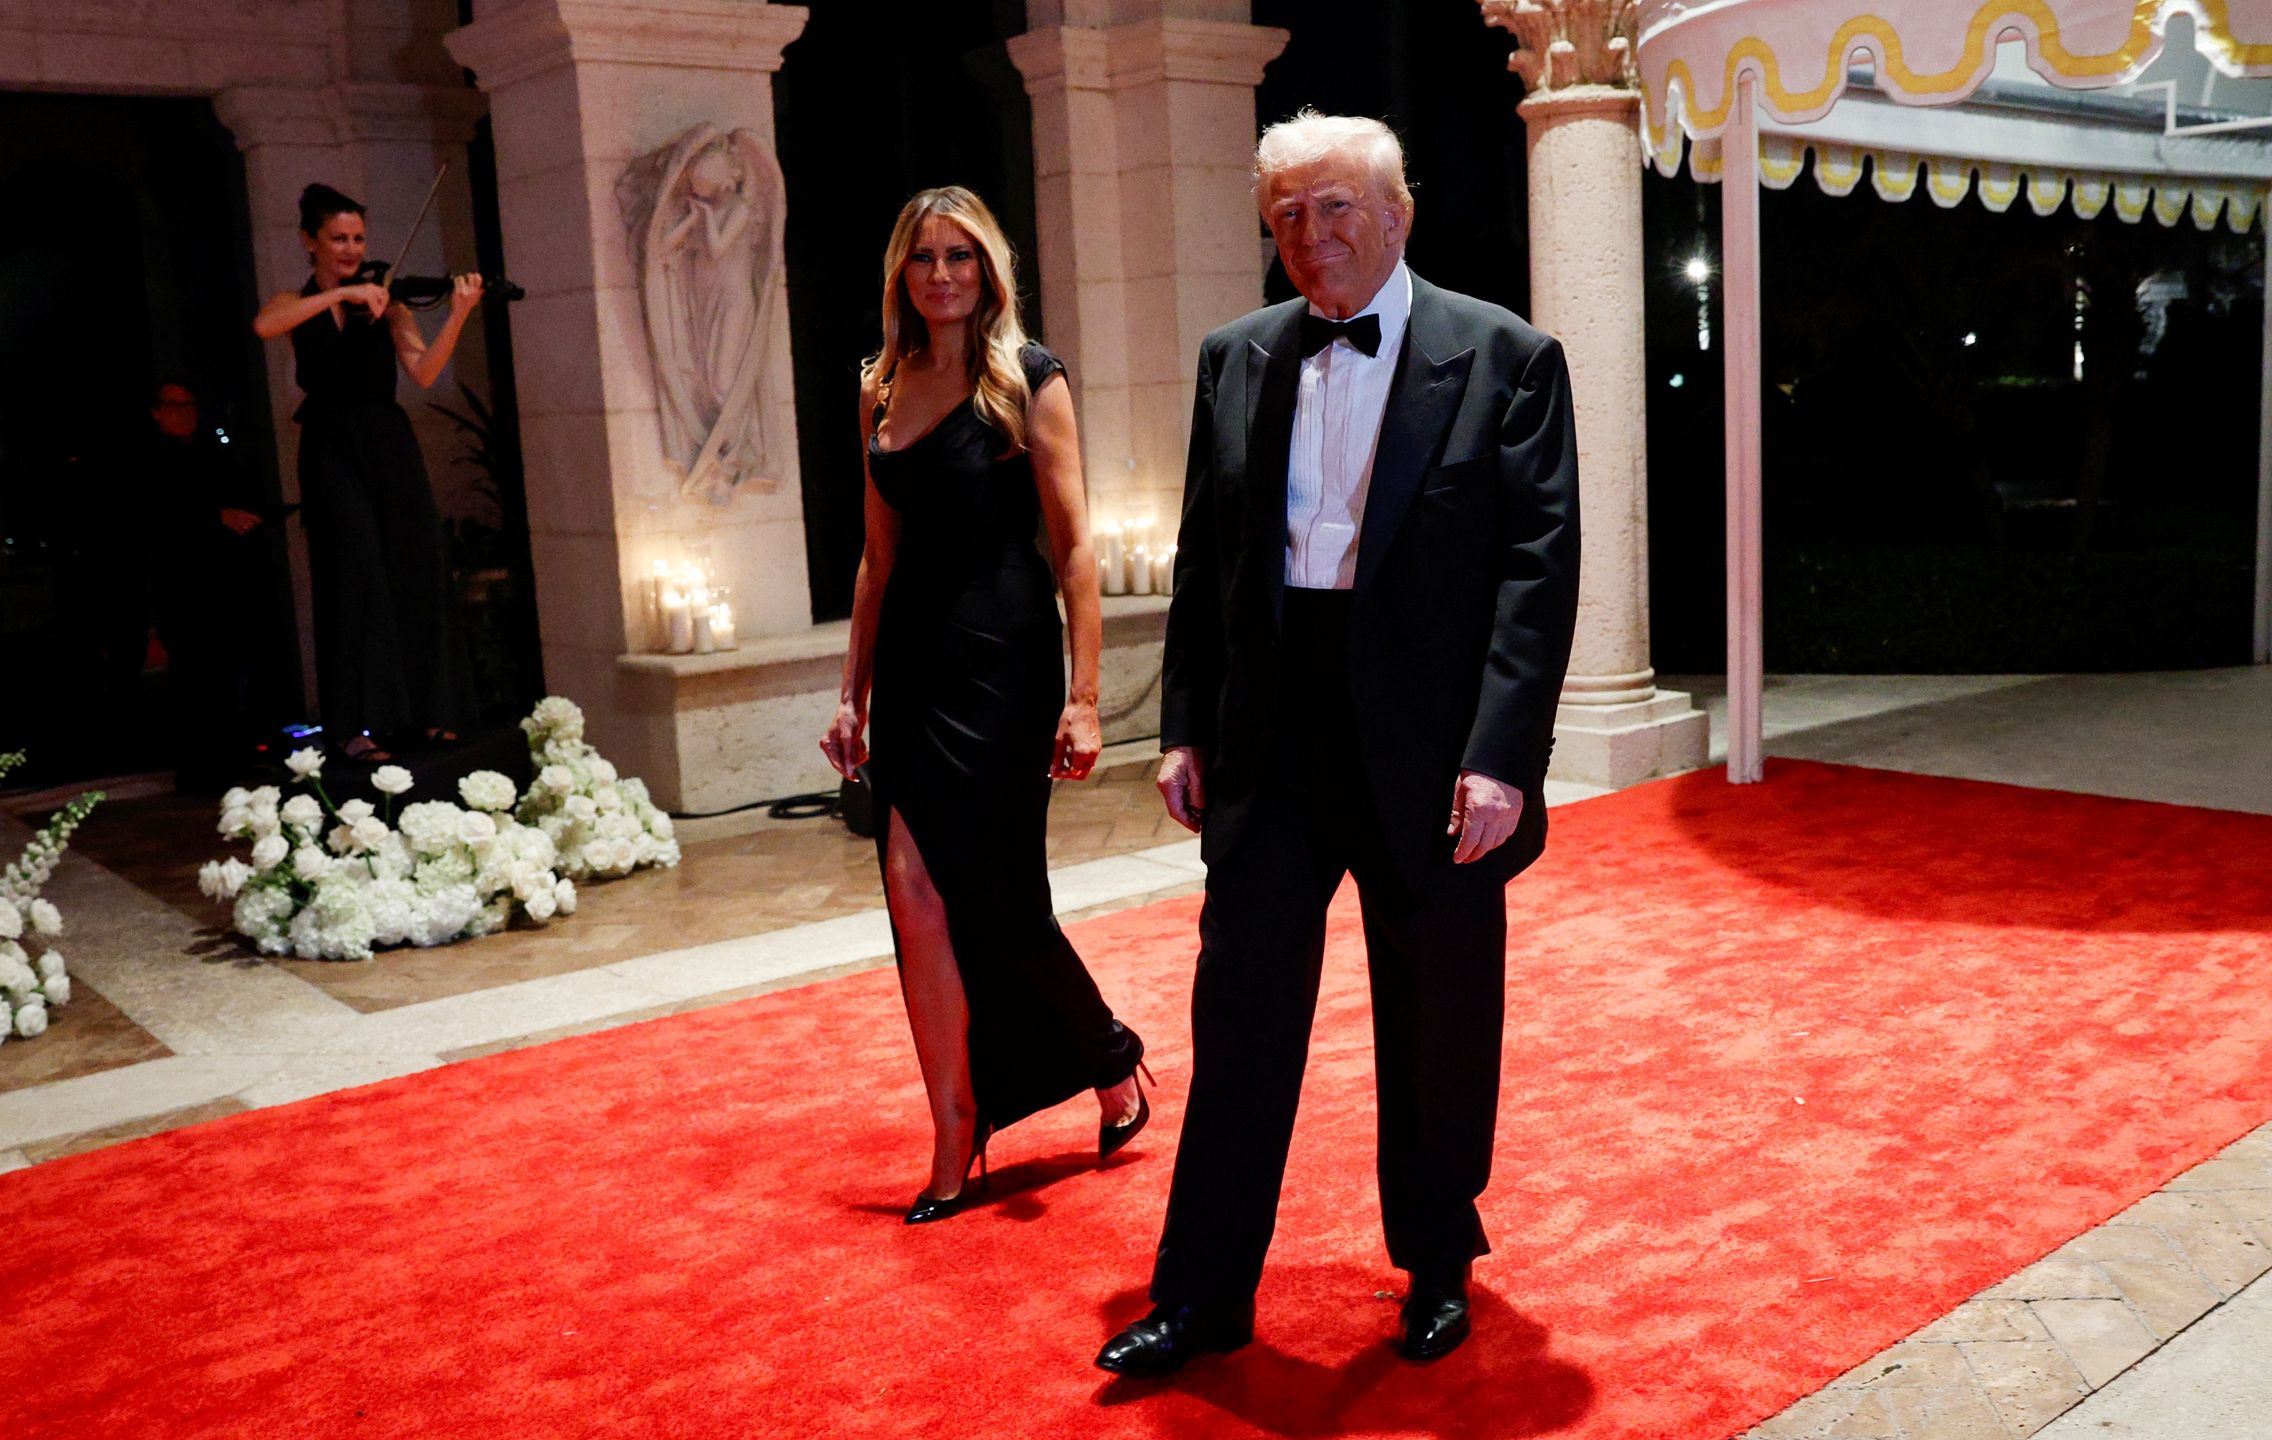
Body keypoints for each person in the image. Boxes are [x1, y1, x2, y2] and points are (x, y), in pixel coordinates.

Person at [1096, 111, 1580, 1375]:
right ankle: (1202, 1294)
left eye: (1337, 209)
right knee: (1241, 1009)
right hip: (1271, 735)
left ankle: (1433, 1261)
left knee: (1436, 1016)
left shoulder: (1506, 358)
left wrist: (1501, 756)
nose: (1312, 239)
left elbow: (1537, 574)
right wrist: (1184, 724)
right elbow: (1209, 560)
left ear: (1397, 213)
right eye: (1289, 216)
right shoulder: (1235, 356)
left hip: (1430, 747)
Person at [820, 187, 1149, 1223]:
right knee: (912, 889)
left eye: (960, 257)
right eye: (923, 258)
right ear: (899, 276)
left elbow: (1077, 545)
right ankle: (955, 1128)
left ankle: (1109, 1058)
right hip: (916, 667)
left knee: (1001, 903)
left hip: (1005, 667)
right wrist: (852, 694)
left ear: (988, 269)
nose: (942, 275)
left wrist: (1086, 700)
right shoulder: (878, 386)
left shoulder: (1026, 379)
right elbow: (876, 560)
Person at [252, 183, 476, 764]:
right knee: (355, 575)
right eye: (339, 238)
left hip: (388, 442)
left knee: (417, 565)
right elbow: (265, 327)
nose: (352, 248)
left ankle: (433, 713)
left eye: (358, 238)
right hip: (331, 444)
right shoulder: (294, 300)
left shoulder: (390, 303)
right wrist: (342, 294)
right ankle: (358, 727)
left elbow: (423, 371)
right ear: (311, 241)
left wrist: (458, 315)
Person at [132, 380, 283, 789]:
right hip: (182, 586)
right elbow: (158, 521)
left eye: (190, 403)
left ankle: (230, 758)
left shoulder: (207, 454)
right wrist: (216, 518)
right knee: (195, 675)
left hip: (220, 581)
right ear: (156, 411)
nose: (185, 411)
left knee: (225, 671)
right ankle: (200, 768)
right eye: (174, 404)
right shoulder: (150, 460)